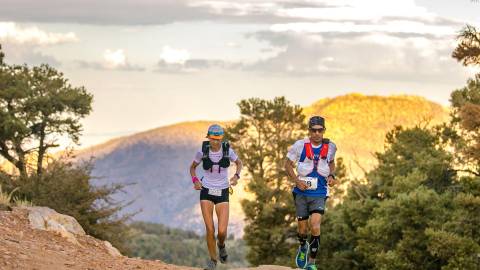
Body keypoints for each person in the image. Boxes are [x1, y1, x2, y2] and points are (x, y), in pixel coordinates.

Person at [285, 116, 337, 270]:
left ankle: (312, 263)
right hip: (301, 192)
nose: (316, 133)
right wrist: (296, 181)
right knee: (302, 229)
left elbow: (332, 162)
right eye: (313, 130)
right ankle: (302, 247)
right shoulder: (299, 146)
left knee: (315, 226)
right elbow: (287, 165)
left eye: (320, 130)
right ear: (309, 131)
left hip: (320, 192)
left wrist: (332, 175)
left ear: (324, 131)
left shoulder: (331, 147)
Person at [189, 124, 243, 270]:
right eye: (213, 139)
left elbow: (239, 163)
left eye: (218, 139)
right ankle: (213, 261)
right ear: (208, 138)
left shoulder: (227, 151)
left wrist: (236, 176)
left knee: (222, 231)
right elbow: (192, 168)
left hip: (223, 191)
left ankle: (221, 245)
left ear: (221, 139)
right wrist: (195, 181)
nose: (215, 142)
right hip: (206, 190)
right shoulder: (202, 151)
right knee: (210, 229)